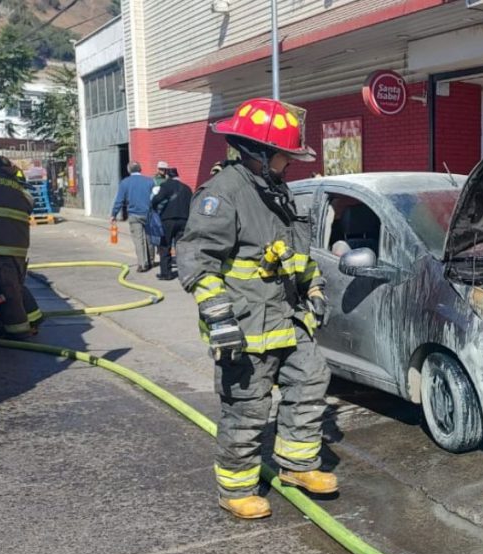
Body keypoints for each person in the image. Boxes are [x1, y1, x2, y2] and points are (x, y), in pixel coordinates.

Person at [176, 97, 336, 519]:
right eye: (285, 155)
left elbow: (297, 256)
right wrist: (219, 317)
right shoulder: (224, 193)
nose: (291, 163)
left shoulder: (275, 192)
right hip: (245, 327)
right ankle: (236, 487)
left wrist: (315, 289)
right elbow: (196, 258)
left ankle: (297, 466)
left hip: (286, 319)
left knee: (311, 378)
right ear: (260, 154)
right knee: (247, 408)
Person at [0, 155, 43, 339]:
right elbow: (30, 205)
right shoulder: (18, 186)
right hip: (18, 249)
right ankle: (34, 319)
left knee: (9, 291)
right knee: (14, 285)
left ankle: (18, 331)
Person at [111, 161, 156, 272]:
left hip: (134, 214)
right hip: (149, 214)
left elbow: (119, 200)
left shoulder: (125, 183)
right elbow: (155, 197)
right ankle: (151, 260)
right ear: (140, 169)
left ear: (129, 170)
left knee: (138, 239)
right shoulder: (150, 181)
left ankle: (142, 264)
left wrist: (114, 214)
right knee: (150, 238)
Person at [150, 167, 192, 281]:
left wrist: (155, 209)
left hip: (168, 220)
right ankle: (185, 273)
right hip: (184, 220)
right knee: (182, 247)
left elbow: (155, 200)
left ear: (168, 176)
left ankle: (166, 273)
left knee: (165, 246)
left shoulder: (165, 186)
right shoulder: (187, 188)